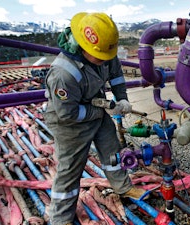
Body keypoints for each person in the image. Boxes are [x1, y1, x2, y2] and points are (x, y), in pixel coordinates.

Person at [44, 12, 147, 225]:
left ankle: (123, 188)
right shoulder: (63, 74)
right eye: (100, 57)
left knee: (112, 152)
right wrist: (100, 111)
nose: (105, 60)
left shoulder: (104, 51)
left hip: (96, 110)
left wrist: (122, 99)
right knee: (69, 171)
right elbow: (67, 113)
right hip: (69, 124)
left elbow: (116, 74)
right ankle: (60, 218)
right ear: (83, 47)